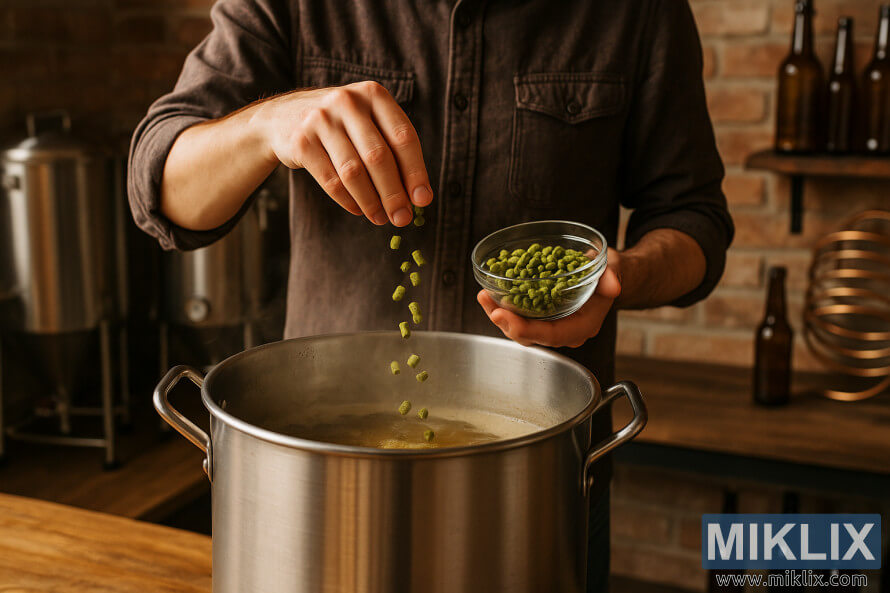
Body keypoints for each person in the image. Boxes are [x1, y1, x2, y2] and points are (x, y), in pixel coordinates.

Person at [128, 1, 733, 589]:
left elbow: (695, 218)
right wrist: (267, 124)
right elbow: (159, 187)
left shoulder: (639, 12)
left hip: (540, 490)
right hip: (315, 495)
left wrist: (624, 276)